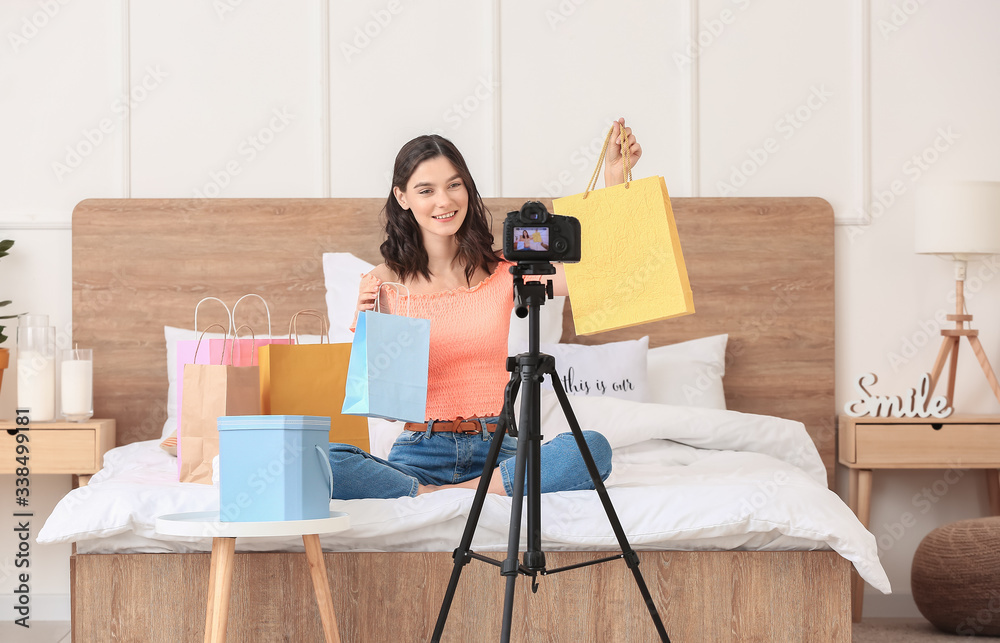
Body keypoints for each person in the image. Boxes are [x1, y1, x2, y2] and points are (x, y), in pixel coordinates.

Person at [328, 118, 642, 500]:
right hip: (419, 453)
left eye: (454, 185)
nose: (444, 201)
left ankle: (445, 495)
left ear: (467, 188)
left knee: (591, 447)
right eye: (426, 190)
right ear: (402, 197)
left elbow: (603, 276)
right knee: (325, 460)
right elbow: (387, 410)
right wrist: (369, 325)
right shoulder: (386, 281)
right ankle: (461, 492)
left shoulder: (504, 271)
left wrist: (613, 178)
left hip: (499, 452)